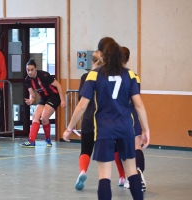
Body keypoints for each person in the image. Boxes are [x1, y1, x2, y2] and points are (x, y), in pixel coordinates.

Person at [63, 38, 150, 200]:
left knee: (105, 175)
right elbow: (139, 105)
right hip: (126, 128)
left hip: (104, 129)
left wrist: (69, 128)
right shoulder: (130, 75)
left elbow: (82, 105)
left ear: (101, 54)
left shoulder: (93, 76)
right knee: (132, 171)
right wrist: (146, 129)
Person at [20, 58, 66, 147]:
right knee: (35, 116)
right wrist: (31, 100)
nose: (30, 72)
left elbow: (58, 85)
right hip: (44, 97)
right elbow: (32, 95)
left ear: (36, 69)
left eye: (32, 70)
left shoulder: (44, 75)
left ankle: (48, 139)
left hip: (54, 96)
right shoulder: (28, 80)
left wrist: (63, 100)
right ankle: (31, 141)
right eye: (28, 70)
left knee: (44, 117)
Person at [75, 50, 104, 190]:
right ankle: (123, 177)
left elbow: (81, 99)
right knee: (114, 151)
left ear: (92, 61)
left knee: (85, 150)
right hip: (104, 121)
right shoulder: (108, 77)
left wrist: (69, 128)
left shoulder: (86, 77)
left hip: (88, 118)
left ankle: (82, 171)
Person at [121, 46, 146, 192]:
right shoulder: (134, 76)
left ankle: (130, 178)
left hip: (118, 116)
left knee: (123, 148)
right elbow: (137, 101)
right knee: (137, 146)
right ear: (128, 58)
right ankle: (139, 173)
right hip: (132, 115)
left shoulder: (111, 75)